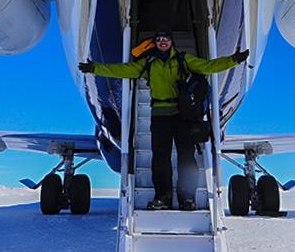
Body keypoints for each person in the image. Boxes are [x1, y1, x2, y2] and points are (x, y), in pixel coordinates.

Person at [79, 29, 249, 210]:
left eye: (166, 39)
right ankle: (163, 197)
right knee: (160, 158)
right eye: (159, 39)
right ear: (156, 43)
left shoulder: (184, 60)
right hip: (159, 115)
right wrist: (95, 68)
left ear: (171, 42)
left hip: (183, 116)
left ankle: (187, 198)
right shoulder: (148, 63)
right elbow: (123, 70)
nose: (162, 42)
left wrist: (234, 60)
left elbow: (208, 66)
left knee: (186, 157)